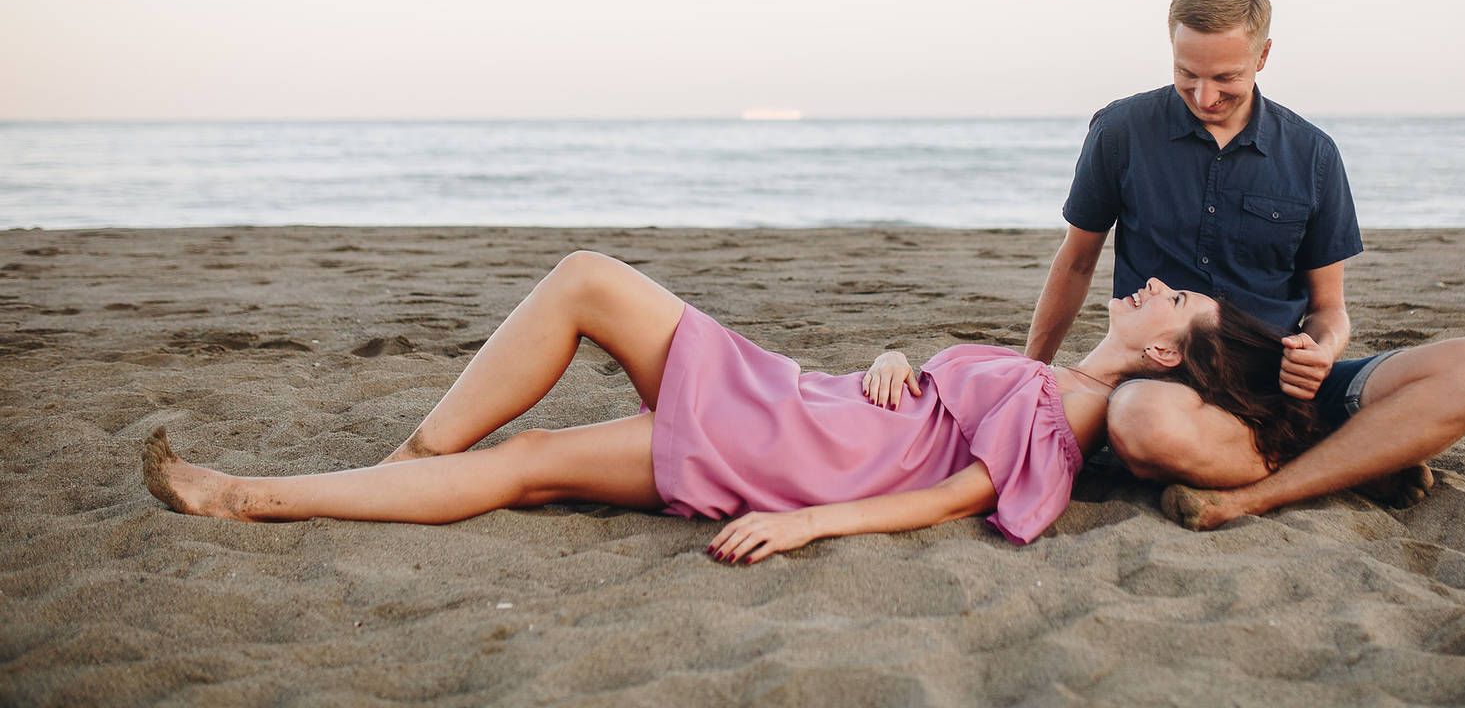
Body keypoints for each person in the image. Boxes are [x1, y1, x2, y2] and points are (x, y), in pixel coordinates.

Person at [142, 251, 1246, 562]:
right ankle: (406, 464)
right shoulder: (1050, 379)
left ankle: (251, 497)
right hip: (792, 396)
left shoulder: (1073, 422)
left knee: (530, 460)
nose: (1154, 282)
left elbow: (957, 493)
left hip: (787, 452)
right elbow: (941, 411)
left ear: (1162, 346)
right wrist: (894, 353)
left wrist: (810, 521)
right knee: (585, 276)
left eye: (1176, 295)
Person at [1026, 0, 1465, 530]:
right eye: (1187, 74)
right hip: (1169, 387)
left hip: (1283, 387)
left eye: (1225, 78)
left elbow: (1330, 308)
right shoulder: (1121, 131)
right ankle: (1347, 458)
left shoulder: (1313, 155)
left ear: (1263, 57)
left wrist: (1324, 350)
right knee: (1138, 421)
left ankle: (1251, 494)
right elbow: (1077, 261)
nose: (1204, 96)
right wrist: (1031, 378)